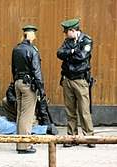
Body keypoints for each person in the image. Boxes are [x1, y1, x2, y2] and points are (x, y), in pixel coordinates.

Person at [57, 19, 95, 148]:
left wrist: (68, 56)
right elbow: (59, 54)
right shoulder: (67, 42)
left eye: (67, 32)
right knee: (70, 110)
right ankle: (72, 137)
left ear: (73, 30)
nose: (66, 35)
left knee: (84, 110)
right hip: (67, 79)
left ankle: (89, 137)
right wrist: (72, 52)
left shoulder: (86, 40)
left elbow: (82, 57)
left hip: (80, 79)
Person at [12, 25, 47, 154]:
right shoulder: (33, 50)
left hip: (17, 82)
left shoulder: (16, 49)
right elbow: (37, 72)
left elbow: (13, 69)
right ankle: (24, 145)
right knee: (27, 116)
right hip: (28, 85)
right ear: (32, 36)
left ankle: (18, 143)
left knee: (20, 114)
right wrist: (41, 89)